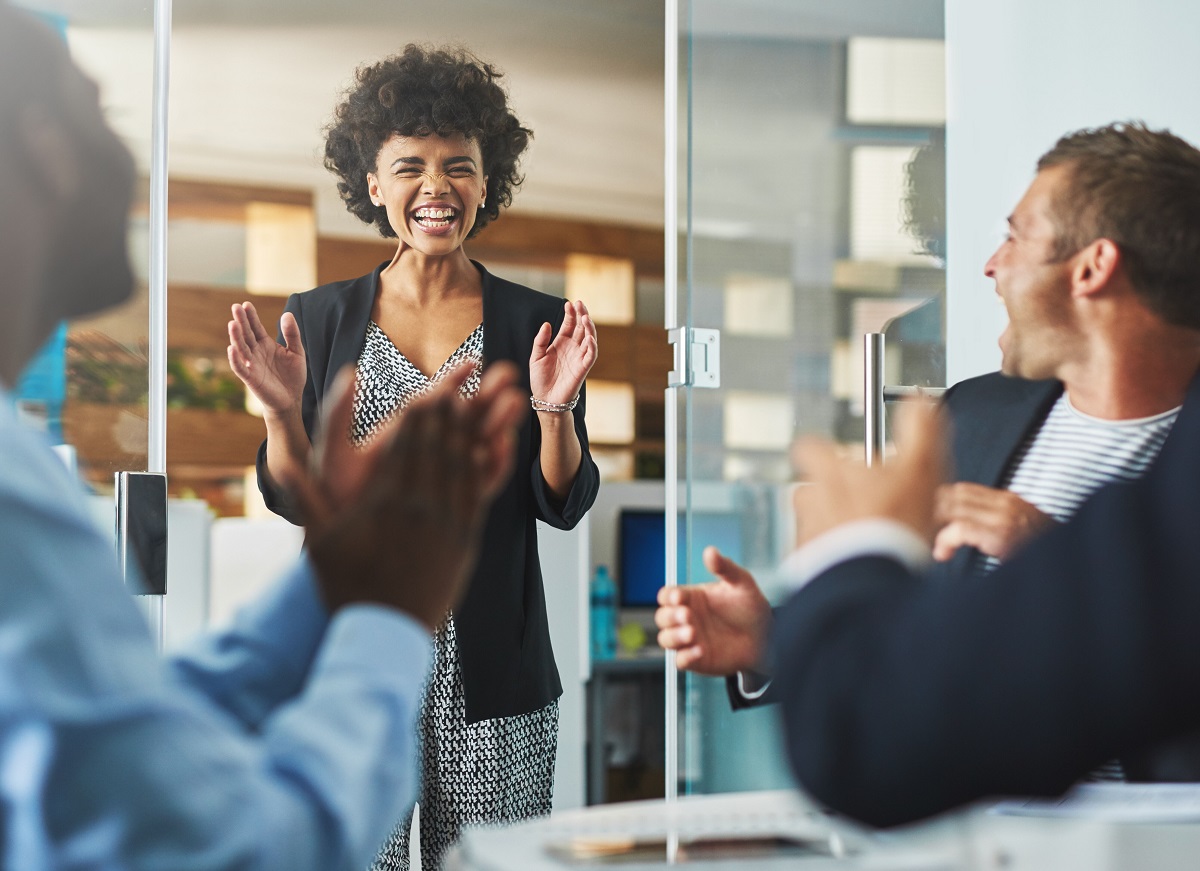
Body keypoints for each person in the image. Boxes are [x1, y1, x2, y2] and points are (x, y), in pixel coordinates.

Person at [0, 4, 527, 868]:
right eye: (98, 104)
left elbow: (135, 724)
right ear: (46, 153)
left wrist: (339, 579)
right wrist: (391, 609)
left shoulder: (20, 469)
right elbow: (250, 848)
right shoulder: (19, 504)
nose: (127, 157)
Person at [661, 121, 1200, 827]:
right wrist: (775, 637)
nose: (990, 264)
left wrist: (1053, 549)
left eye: (1015, 235)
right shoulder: (968, 414)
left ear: (1092, 267)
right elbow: (930, 649)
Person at [226, 45, 600, 870]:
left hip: (496, 669)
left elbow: (561, 500)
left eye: (458, 167)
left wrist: (555, 407)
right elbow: (297, 495)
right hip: (354, 654)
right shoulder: (319, 319)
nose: (436, 186)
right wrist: (283, 411)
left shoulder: (533, 321)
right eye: (411, 166)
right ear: (372, 183)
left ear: (485, 182)